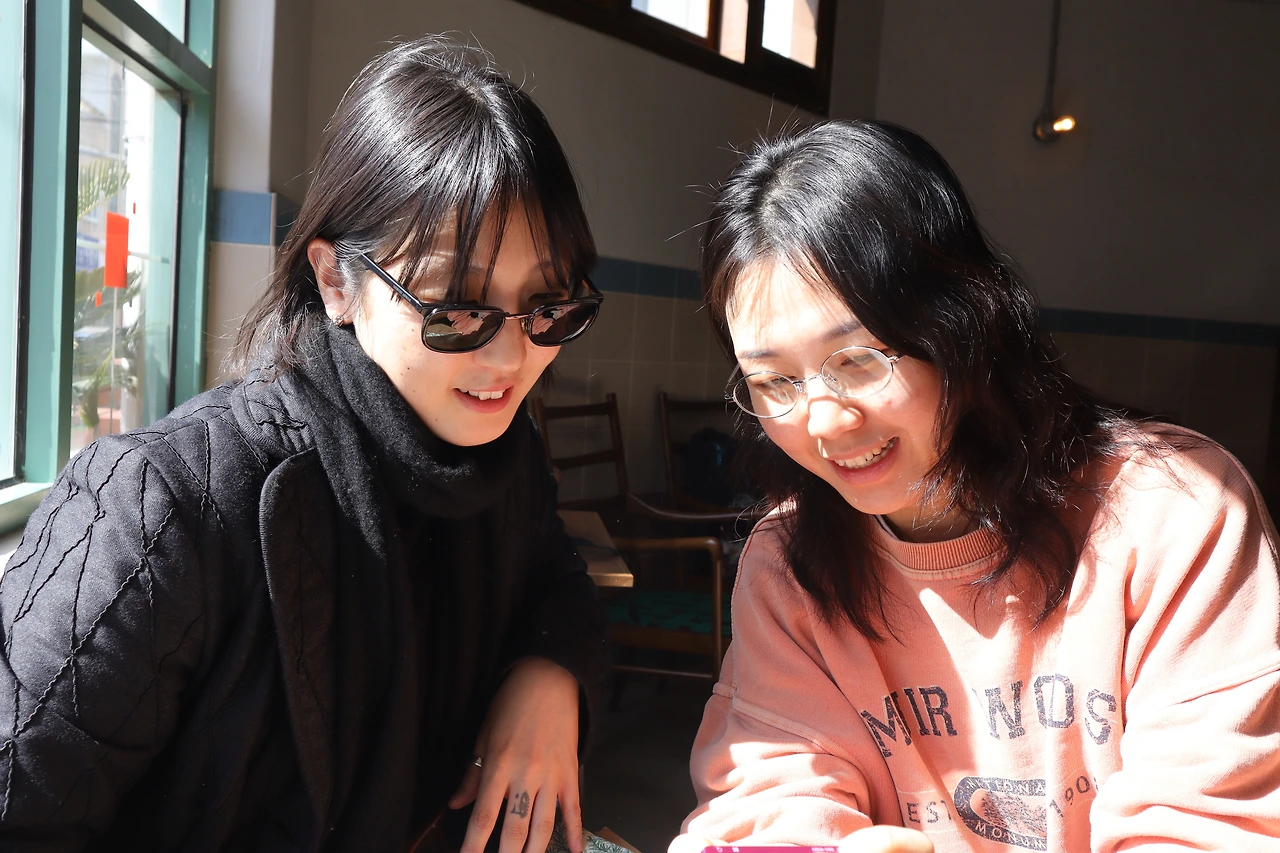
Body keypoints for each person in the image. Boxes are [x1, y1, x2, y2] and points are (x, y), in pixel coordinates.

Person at [0, 37, 609, 853]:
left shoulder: (503, 459)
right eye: (456, 304)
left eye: (547, 302)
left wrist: (549, 671)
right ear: (335, 281)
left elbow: (554, 576)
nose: (511, 357)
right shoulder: (162, 508)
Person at [671, 120, 1280, 852]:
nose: (824, 421)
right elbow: (771, 789)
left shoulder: (1173, 516)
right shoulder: (791, 566)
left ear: (963, 321)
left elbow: (1209, 824)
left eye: (859, 359)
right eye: (774, 381)